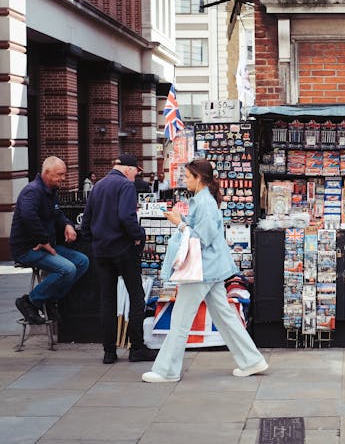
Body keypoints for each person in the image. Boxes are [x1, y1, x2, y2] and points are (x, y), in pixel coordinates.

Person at [142, 159, 268, 382]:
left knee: (181, 320)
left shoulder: (205, 203)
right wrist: (182, 221)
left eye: (188, 177)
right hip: (210, 269)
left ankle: (166, 371)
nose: (185, 180)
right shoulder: (203, 200)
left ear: (198, 178)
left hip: (201, 269)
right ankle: (251, 360)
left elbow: (202, 238)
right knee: (225, 316)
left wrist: (179, 224)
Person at [80, 154, 157, 364]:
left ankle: (109, 351)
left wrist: (95, 242)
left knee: (107, 299)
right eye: (136, 171)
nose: (136, 176)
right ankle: (137, 348)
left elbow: (85, 222)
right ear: (127, 169)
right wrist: (138, 236)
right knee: (136, 296)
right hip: (123, 250)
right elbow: (126, 216)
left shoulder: (99, 186)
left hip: (102, 251)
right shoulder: (125, 186)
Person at [10, 156, 89, 325]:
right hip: (28, 249)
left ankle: (50, 299)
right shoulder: (33, 191)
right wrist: (43, 239)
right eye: (60, 174)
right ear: (47, 173)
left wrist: (67, 225)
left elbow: (57, 213)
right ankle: (30, 302)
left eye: (64, 174)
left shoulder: (51, 191)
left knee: (82, 261)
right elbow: (27, 216)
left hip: (46, 245)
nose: (63, 178)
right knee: (67, 269)